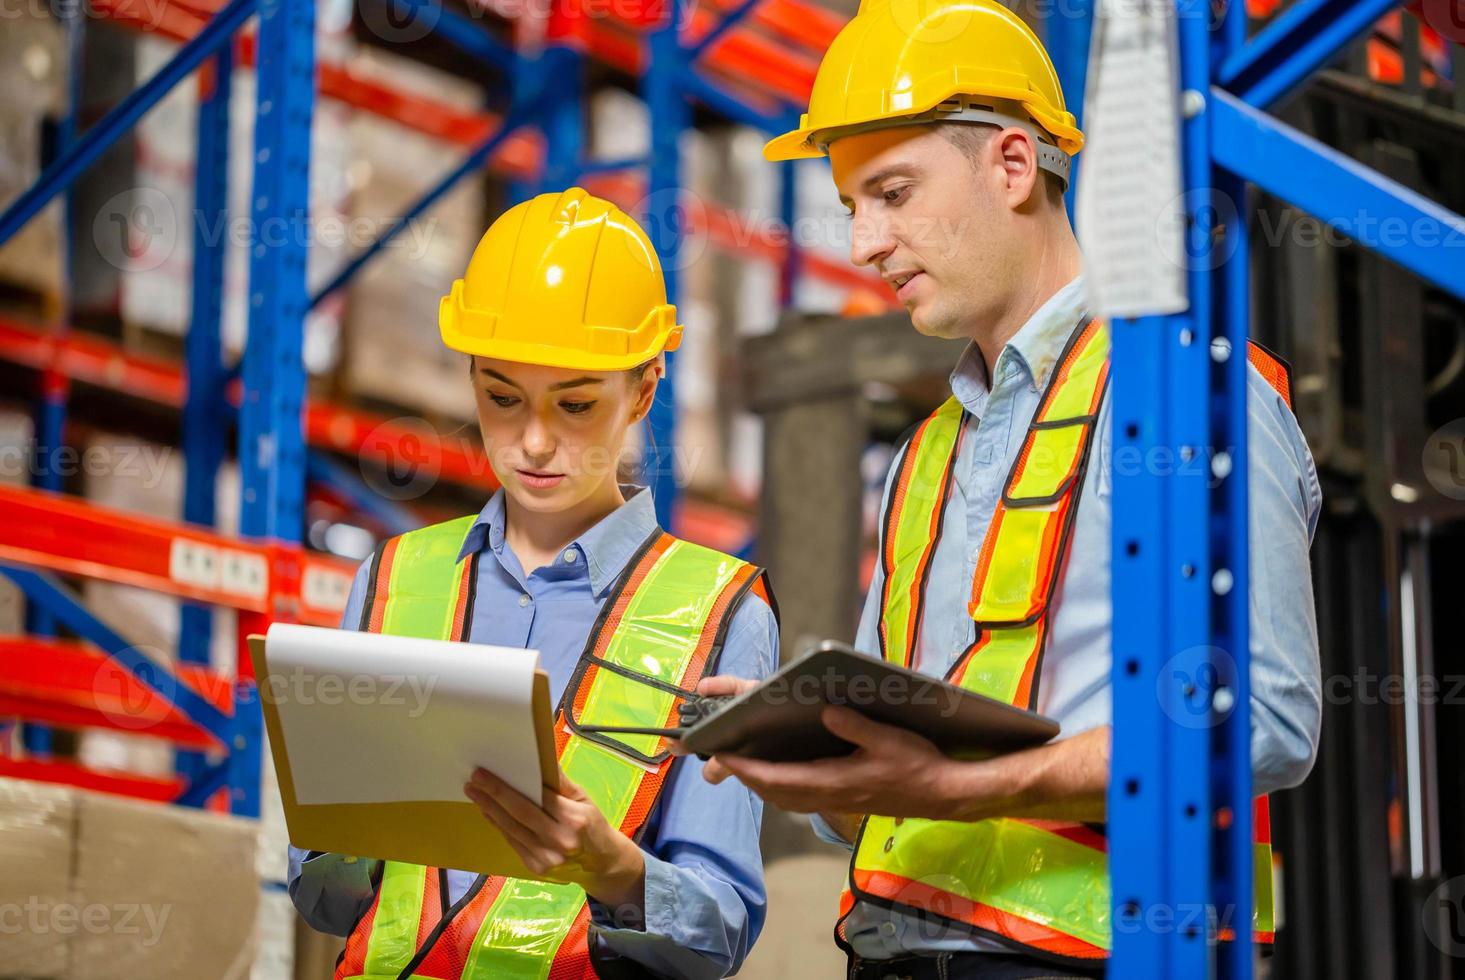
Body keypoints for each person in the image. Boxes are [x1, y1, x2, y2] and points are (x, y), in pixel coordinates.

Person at [691, 1, 1323, 978]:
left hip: (1090, 957)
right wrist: (819, 754)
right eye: (853, 205)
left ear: (1014, 165)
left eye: (892, 193)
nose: (863, 244)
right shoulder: (924, 455)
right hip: (885, 949)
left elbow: (1268, 721)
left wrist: (968, 784)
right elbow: (887, 787)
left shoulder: (1193, 394)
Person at [287, 188, 779, 980]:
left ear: (644, 390)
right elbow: (323, 899)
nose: (533, 441)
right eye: (501, 397)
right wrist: (349, 838)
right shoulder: (390, 580)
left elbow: (719, 930)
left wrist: (612, 868)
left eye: (575, 404)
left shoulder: (722, 614)